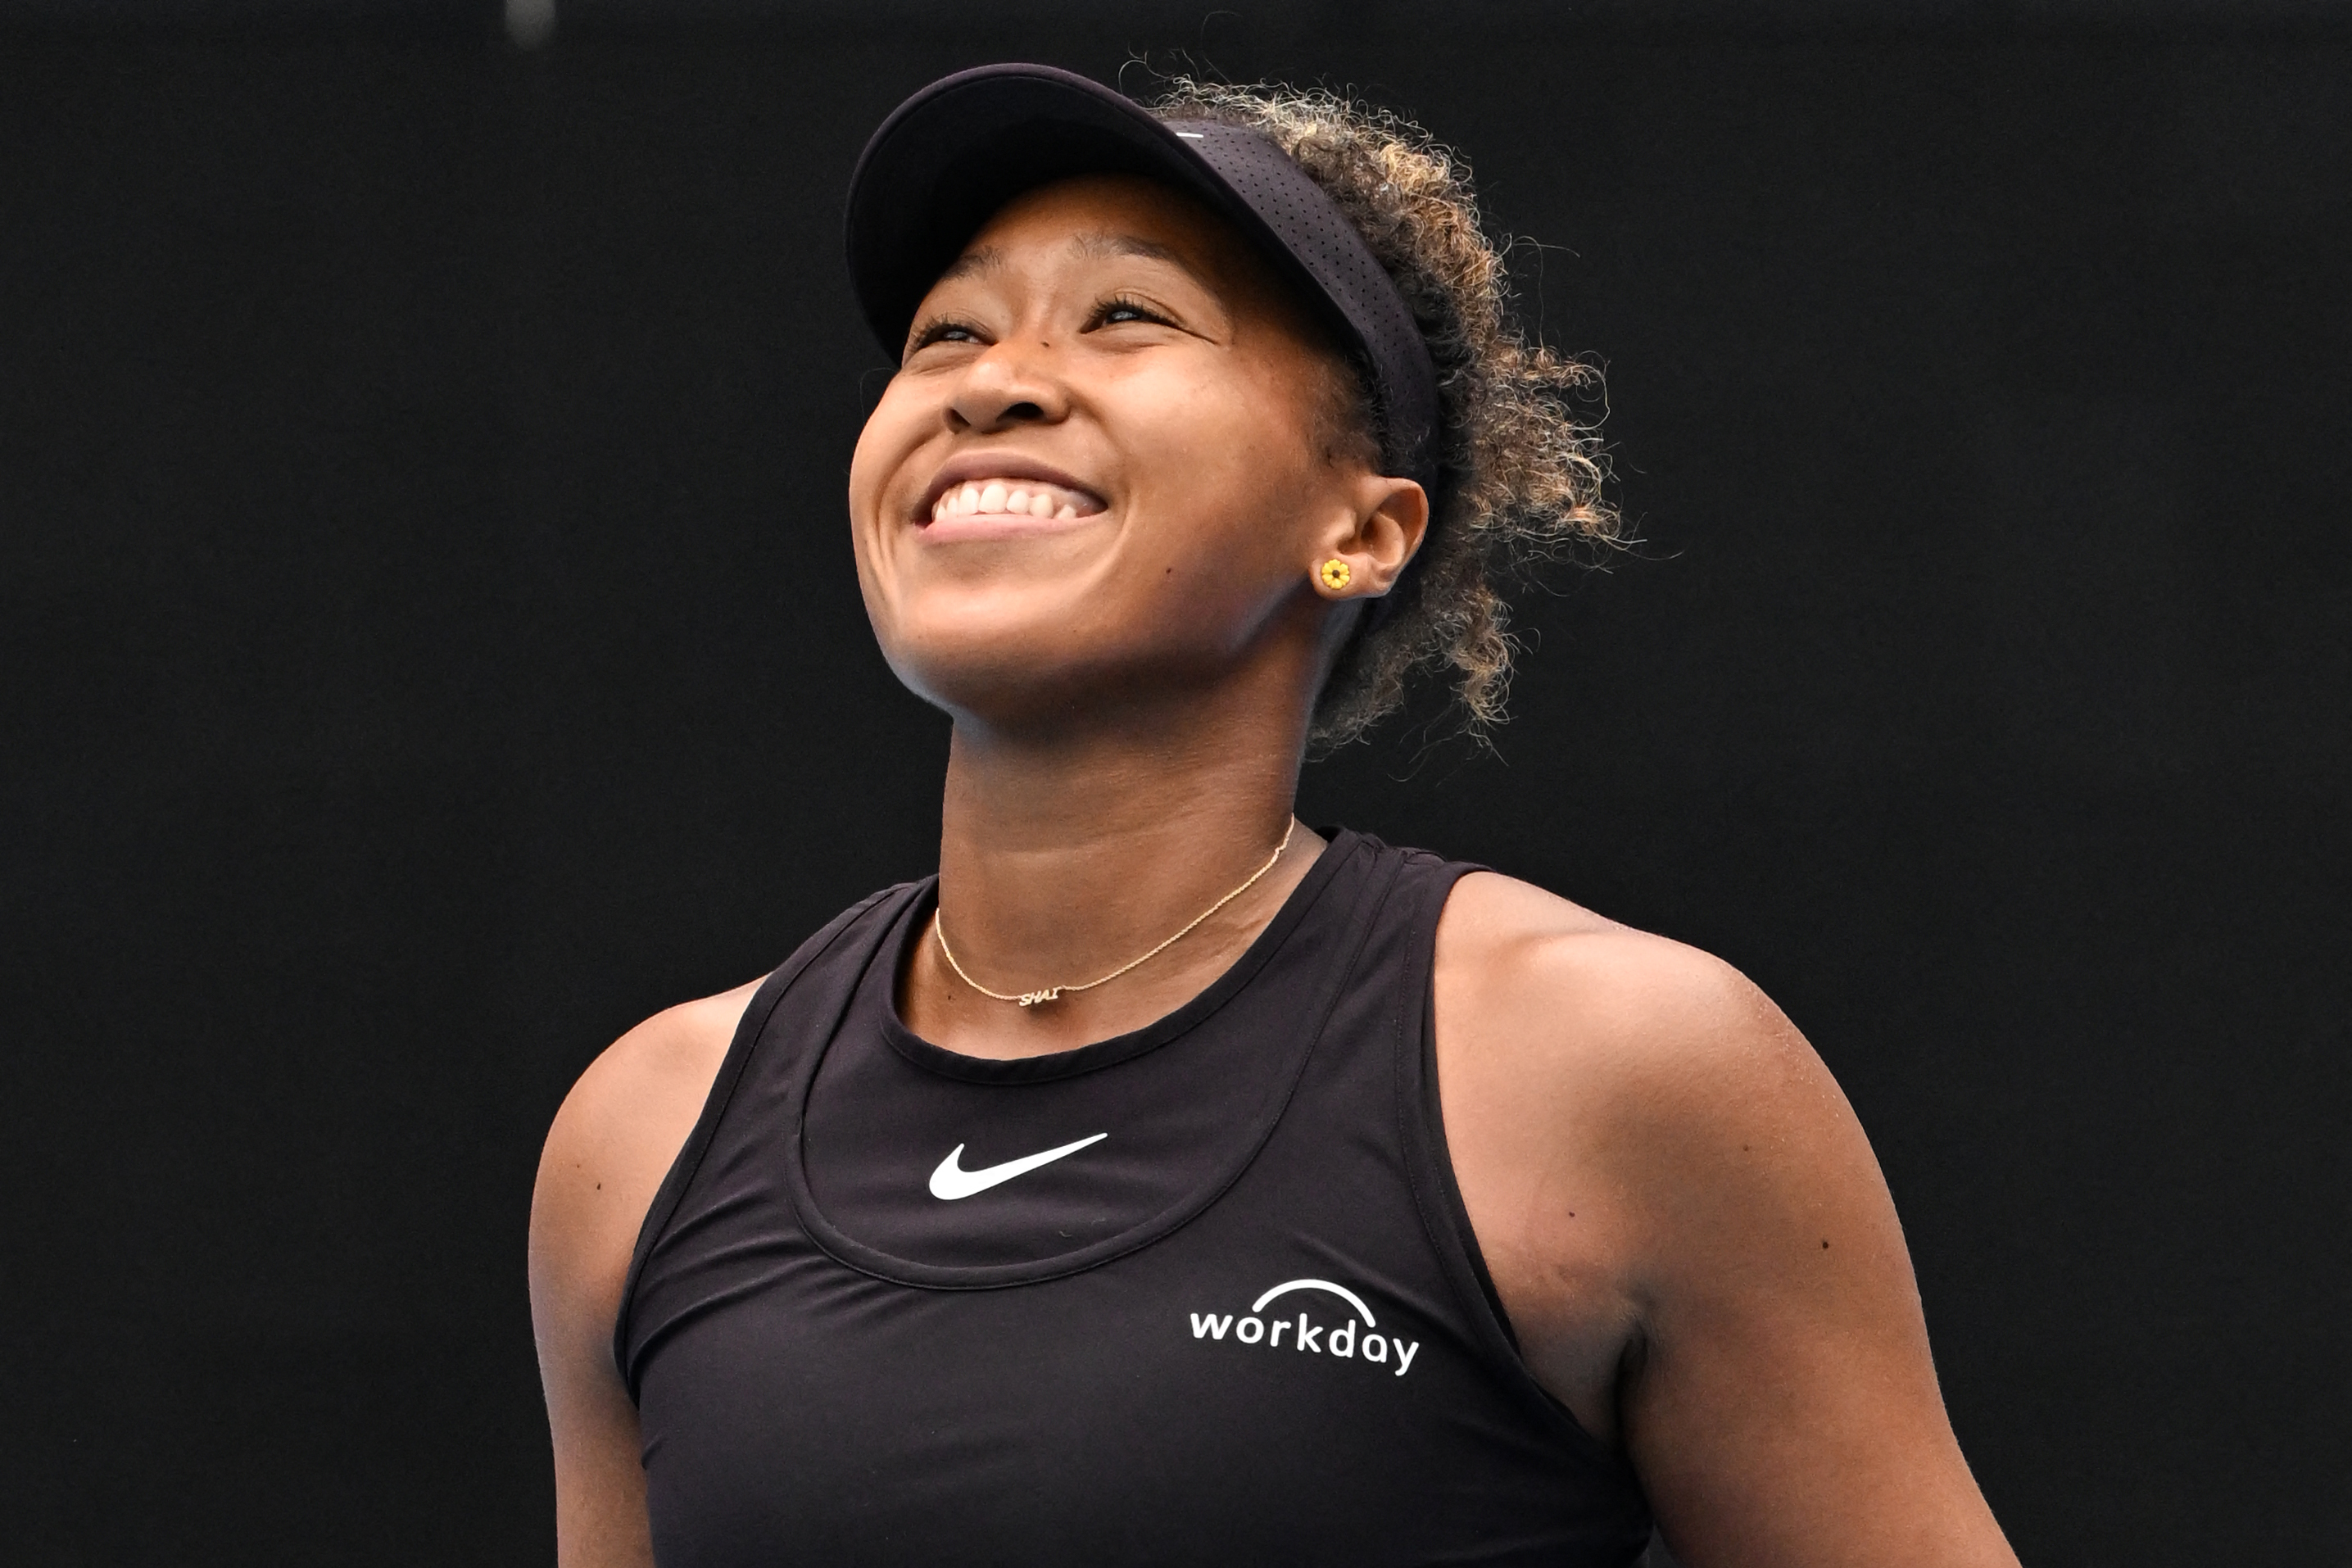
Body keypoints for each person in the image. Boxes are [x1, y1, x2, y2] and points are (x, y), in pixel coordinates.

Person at [528, 64, 2019, 1568]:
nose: (993, 381)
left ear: (1359, 530)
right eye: (947, 335)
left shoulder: (1619, 1068)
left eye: (1128, 315)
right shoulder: (644, 1133)